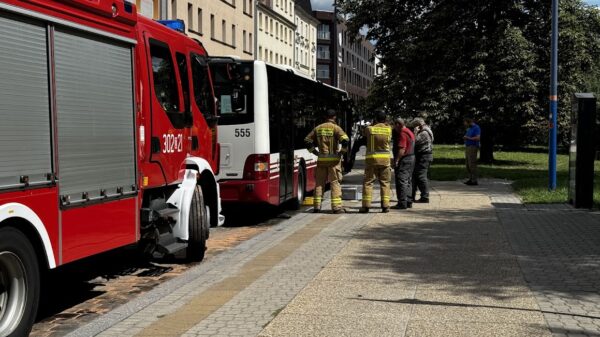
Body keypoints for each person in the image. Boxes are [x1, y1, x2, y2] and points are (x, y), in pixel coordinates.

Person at [304, 109, 350, 213]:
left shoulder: (318, 128)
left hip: (321, 160)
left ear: (325, 117)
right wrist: (341, 152)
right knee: (334, 182)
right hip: (333, 161)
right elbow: (345, 140)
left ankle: (316, 206)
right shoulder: (336, 128)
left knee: (319, 183)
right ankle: (336, 207)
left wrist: (315, 152)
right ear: (334, 117)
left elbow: (307, 140)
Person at [359, 111, 392, 213]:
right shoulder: (388, 129)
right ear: (385, 119)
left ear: (375, 119)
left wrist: (373, 123)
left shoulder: (369, 129)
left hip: (371, 161)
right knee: (385, 183)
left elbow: (364, 134)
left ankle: (366, 206)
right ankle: (385, 206)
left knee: (368, 182)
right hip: (385, 161)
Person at [392, 117, 415, 209]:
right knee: (408, 180)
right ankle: (409, 201)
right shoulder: (409, 131)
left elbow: (402, 149)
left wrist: (396, 160)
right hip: (412, 157)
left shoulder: (402, 133)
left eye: (395, 125)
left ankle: (402, 202)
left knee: (402, 180)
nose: (394, 128)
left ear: (398, 125)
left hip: (405, 159)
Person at [412, 118, 434, 203]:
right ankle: (422, 195)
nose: (414, 128)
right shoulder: (426, 130)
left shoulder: (424, 133)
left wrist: (415, 132)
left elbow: (414, 141)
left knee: (421, 176)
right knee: (419, 175)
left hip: (424, 156)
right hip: (424, 156)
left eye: (414, 126)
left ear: (418, 126)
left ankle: (425, 196)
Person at [463, 117, 481, 186]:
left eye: (466, 123)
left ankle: (474, 180)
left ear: (469, 122)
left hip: (473, 147)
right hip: (468, 146)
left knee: (472, 164)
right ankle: (470, 179)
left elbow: (478, 138)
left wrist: (468, 138)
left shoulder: (476, 128)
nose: (465, 125)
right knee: (467, 164)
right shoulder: (469, 128)